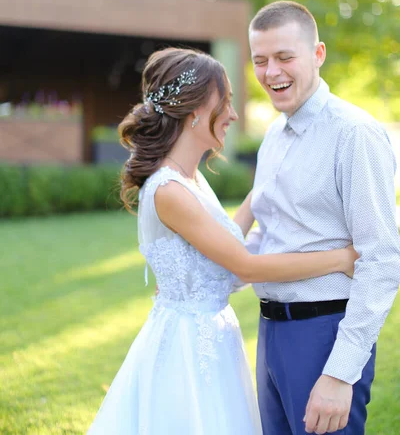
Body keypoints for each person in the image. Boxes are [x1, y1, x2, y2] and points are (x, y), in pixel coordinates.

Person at [87, 47, 358, 435]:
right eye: (226, 102)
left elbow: (221, 242)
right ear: (194, 110)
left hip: (211, 336)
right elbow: (244, 266)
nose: (232, 114)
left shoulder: (189, 179)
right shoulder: (170, 191)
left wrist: (262, 191)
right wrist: (342, 258)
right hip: (187, 348)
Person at [247, 0, 400, 435]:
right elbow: (269, 235)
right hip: (270, 332)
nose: (271, 72)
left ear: (317, 55)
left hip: (325, 334)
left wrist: (339, 373)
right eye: (260, 60)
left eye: (284, 57)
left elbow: (383, 259)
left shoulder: (353, 133)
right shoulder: (274, 136)